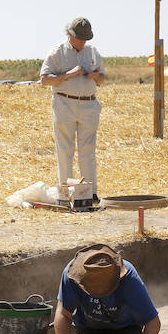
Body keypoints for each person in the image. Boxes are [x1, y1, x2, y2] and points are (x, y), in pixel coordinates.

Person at [44, 244, 161, 334]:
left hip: (126, 329)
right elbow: (63, 313)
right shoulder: (72, 276)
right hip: (88, 329)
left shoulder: (129, 277)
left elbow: (153, 323)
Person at [39, 17, 105, 201]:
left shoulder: (92, 52)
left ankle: (89, 194)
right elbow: (44, 80)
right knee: (65, 149)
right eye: (80, 38)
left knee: (88, 150)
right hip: (64, 103)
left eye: (86, 39)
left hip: (89, 103)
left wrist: (95, 76)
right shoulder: (57, 52)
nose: (83, 42)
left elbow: (102, 78)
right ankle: (65, 195)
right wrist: (69, 75)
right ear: (70, 34)